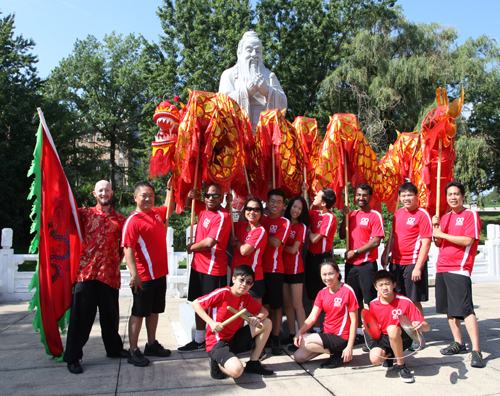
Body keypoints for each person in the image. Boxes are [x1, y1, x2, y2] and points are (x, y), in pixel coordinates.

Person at [64, 180, 127, 374]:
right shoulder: (84, 214)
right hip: (87, 273)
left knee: (111, 316)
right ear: (94, 193)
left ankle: (113, 348)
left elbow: (123, 246)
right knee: (81, 318)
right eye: (101, 190)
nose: (104, 193)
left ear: (112, 192)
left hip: (110, 273)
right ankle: (73, 356)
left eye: (107, 190)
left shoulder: (121, 219)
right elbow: (63, 216)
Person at [432, 181, 485, 368]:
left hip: (459, 268)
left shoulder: (470, 214)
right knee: (450, 310)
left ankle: (476, 350)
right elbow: (438, 243)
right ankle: (458, 342)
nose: (453, 197)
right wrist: (436, 230)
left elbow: (468, 240)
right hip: (442, 267)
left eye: (456, 194)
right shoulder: (445, 217)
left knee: (465, 310)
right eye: (449, 194)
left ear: (463, 196)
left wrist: (443, 235)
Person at [121, 180, 173, 367]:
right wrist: (134, 275)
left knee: (154, 311)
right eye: (143, 195)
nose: (148, 198)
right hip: (144, 277)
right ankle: (133, 350)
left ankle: (151, 344)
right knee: (139, 312)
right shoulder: (133, 221)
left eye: (151, 195)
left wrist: (169, 189)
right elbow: (128, 249)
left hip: (160, 274)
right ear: (135, 198)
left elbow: (169, 207)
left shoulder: (156, 214)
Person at [192, 265, 274, 380]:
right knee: (237, 371)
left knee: (267, 323)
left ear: (251, 285)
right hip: (218, 342)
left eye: (248, 282)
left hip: (234, 339)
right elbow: (196, 303)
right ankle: (216, 363)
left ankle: (253, 363)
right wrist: (211, 323)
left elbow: (264, 311)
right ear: (233, 279)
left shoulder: (246, 297)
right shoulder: (222, 293)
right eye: (241, 280)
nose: (244, 284)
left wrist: (258, 318)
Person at [178, 184, 231, 352]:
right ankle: (199, 339)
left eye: (214, 196)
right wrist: (189, 194)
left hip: (213, 268)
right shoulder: (202, 208)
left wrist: (191, 247)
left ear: (221, 198)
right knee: (197, 304)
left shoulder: (222, 216)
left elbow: (209, 243)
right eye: (207, 195)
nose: (210, 198)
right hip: (198, 266)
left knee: (213, 308)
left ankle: (216, 340)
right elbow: (187, 203)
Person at [381, 182, 432, 349]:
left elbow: (426, 243)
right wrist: (385, 253)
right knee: (398, 300)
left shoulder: (422, 214)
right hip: (396, 263)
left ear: (416, 196)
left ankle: (419, 336)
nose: (406, 198)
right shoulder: (397, 214)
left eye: (410, 195)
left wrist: (418, 267)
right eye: (403, 195)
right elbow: (393, 237)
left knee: (414, 301)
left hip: (412, 263)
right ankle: (403, 335)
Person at [339, 183, 385, 341]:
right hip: (351, 266)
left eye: (365, 195)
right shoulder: (351, 215)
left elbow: (376, 241)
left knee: (370, 301)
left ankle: (374, 333)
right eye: (358, 195)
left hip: (366, 265)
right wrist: (344, 217)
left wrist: (356, 252)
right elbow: (342, 236)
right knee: (353, 301)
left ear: (370, 197)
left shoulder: (375, 215)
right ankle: (358, 333)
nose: (361, 198)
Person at [293, 258, 358, 369]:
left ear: (338, 273)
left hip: (341, 337)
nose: (327, 278)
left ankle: (338, 352)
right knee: (298, 357)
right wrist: (300, 331)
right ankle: (334, 353)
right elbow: (312, 317)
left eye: (331, 274)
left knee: (304, 340)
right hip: (327, 334)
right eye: (324, 274)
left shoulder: (347, 291)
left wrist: (350, 347)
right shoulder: (322, 292)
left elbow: (354, 321)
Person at [368, 270, 430, 383]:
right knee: (375, 359)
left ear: (394, 285)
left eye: (387, 284)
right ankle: (389, 357)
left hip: (402, 336)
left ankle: (401, 366)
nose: (384, 288)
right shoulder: (373, 304)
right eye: (381, 285)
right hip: (384, 338)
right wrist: (367, 328)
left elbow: (427, 326)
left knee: (392, 329)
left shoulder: (405, 302)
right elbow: (374, 327)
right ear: (376, 287)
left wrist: (420, 326)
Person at [218, 31, 287, 131]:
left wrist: (268, 92)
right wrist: (245, 91)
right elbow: (221, 104)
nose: (254, 54)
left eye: (258, 51)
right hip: (239, 135)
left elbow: (283, 103)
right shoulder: (230, 74)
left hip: (264, 133)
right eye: (249, 50)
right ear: (240, 53)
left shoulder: (269, 75)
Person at [260, 188, 291, 355]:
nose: (275, 204)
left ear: (283, 206)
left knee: (276, 306)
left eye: (279, 202)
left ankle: (276, 337)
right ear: (267, 203)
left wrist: (258, 232)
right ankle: (263, 336)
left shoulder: (284, 222)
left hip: (274, 269)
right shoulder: (261, 217)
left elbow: (276, 242)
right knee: (263, 306)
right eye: (272, 201)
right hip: (258, 269)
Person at [282, 196, 310, 352]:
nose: (296, 211)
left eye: (300, 209)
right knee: (287, 304)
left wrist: (277, 245)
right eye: (294, 207)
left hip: (295, 269)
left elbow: (293, 250)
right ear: (289, 206)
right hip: (281, 268)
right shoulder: (283, 223)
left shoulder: (301, 227)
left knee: (297, 304)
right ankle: (292, 334)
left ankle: (303, 336)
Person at [229, 198, 267, 303]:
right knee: (235, 311)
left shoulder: (260, 231)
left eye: (256, 209)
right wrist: (229, 203)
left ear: (261, 213)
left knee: (256, 314)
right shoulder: (241, 226)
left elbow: (244, 251)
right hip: (236, 276)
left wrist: (235, 241)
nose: (251, 212)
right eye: (249, 209)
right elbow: (226, 221)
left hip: (252, 278)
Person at [305, 188, 337, 307]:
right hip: (311, 257)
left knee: (326, 292)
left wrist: (308, 231)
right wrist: (304, 190)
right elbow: (304, 215)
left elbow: (314, 239)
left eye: (318, 196)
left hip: (323, 259)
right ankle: (316, 325)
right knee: (313, 294)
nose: (315, 197)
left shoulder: (329, 217)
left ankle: (328, 322)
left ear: (324, 203)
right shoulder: (314, 213)